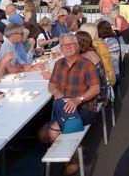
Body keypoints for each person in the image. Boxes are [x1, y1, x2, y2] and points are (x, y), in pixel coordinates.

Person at [39, 34, 100, 175]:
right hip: (64, 107)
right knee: (42, 135)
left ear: (77, 46)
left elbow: (95, 89)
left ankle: (74, 161)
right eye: (64, 45)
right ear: (60, 48)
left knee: (53, 131)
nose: (67, 47)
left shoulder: (86, 64)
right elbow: (51, 84)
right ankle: (73, 148)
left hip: (85, 107)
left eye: (71, 44)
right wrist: (55, 92)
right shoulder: (58, 64)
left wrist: (78, 99)